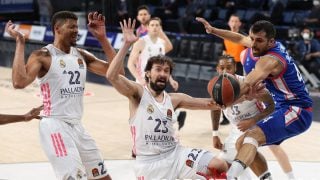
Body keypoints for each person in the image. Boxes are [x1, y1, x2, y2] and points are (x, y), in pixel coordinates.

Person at [106, 18, 228, 179]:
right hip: (149, 164)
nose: (163, 73)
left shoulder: (175, 99)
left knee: (219, 165)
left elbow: (210, 103)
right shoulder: (137, 93)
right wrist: (126, 45)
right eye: (158, 69)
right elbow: (112, 76)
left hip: (176, 154)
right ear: (148, 73)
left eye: (166, 71)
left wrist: (240, 96)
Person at [5, 11, 119, 180]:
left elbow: (117, 72)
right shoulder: (43, 56)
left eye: (77, 27)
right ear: (57, 28)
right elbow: (18, 82)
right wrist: (20, 42)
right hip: (55, 125)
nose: (76, 30)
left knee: (103, 177)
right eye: (71, 26)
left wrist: (102, 38)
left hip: (78, 126)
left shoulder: (82, 55)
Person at [197, 17, 312, 179]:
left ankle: (231, 176)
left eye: (258, 40)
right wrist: (214, 30)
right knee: (241, 143)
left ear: (271, 42)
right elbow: (239, 38)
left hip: (297, 109)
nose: (253, 44)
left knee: (253, 136)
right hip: (281, 105)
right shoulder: (262, 45)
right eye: (252, 39)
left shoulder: (269, 60)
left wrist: (223, 102)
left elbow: (246, 84)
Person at [211, 55, 296, 180]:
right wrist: (215, 133)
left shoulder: (249, 84)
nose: (225, 72)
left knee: (275, 148)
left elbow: (271, 105)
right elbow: (215, 108)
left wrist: (252, 120)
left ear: (234, 68)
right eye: (222, 68)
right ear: (217, 69)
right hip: (237, 128)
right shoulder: (216, 87)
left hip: (259, 124)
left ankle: (291, 177)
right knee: (224, 164)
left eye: (228, 68)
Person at [134, 6, 187, 130]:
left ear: (149, 15)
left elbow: (167, 49)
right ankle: (175, 116)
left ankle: (169, 121)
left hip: (152, 73)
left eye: (145, 14)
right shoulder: (138, 32)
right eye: (140, 14)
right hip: (142, 73)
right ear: (137, 17)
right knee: (147, 103)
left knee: (151, 103)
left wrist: (159, 30)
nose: (143, 16)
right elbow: (136, 56)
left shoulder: (155, 29)